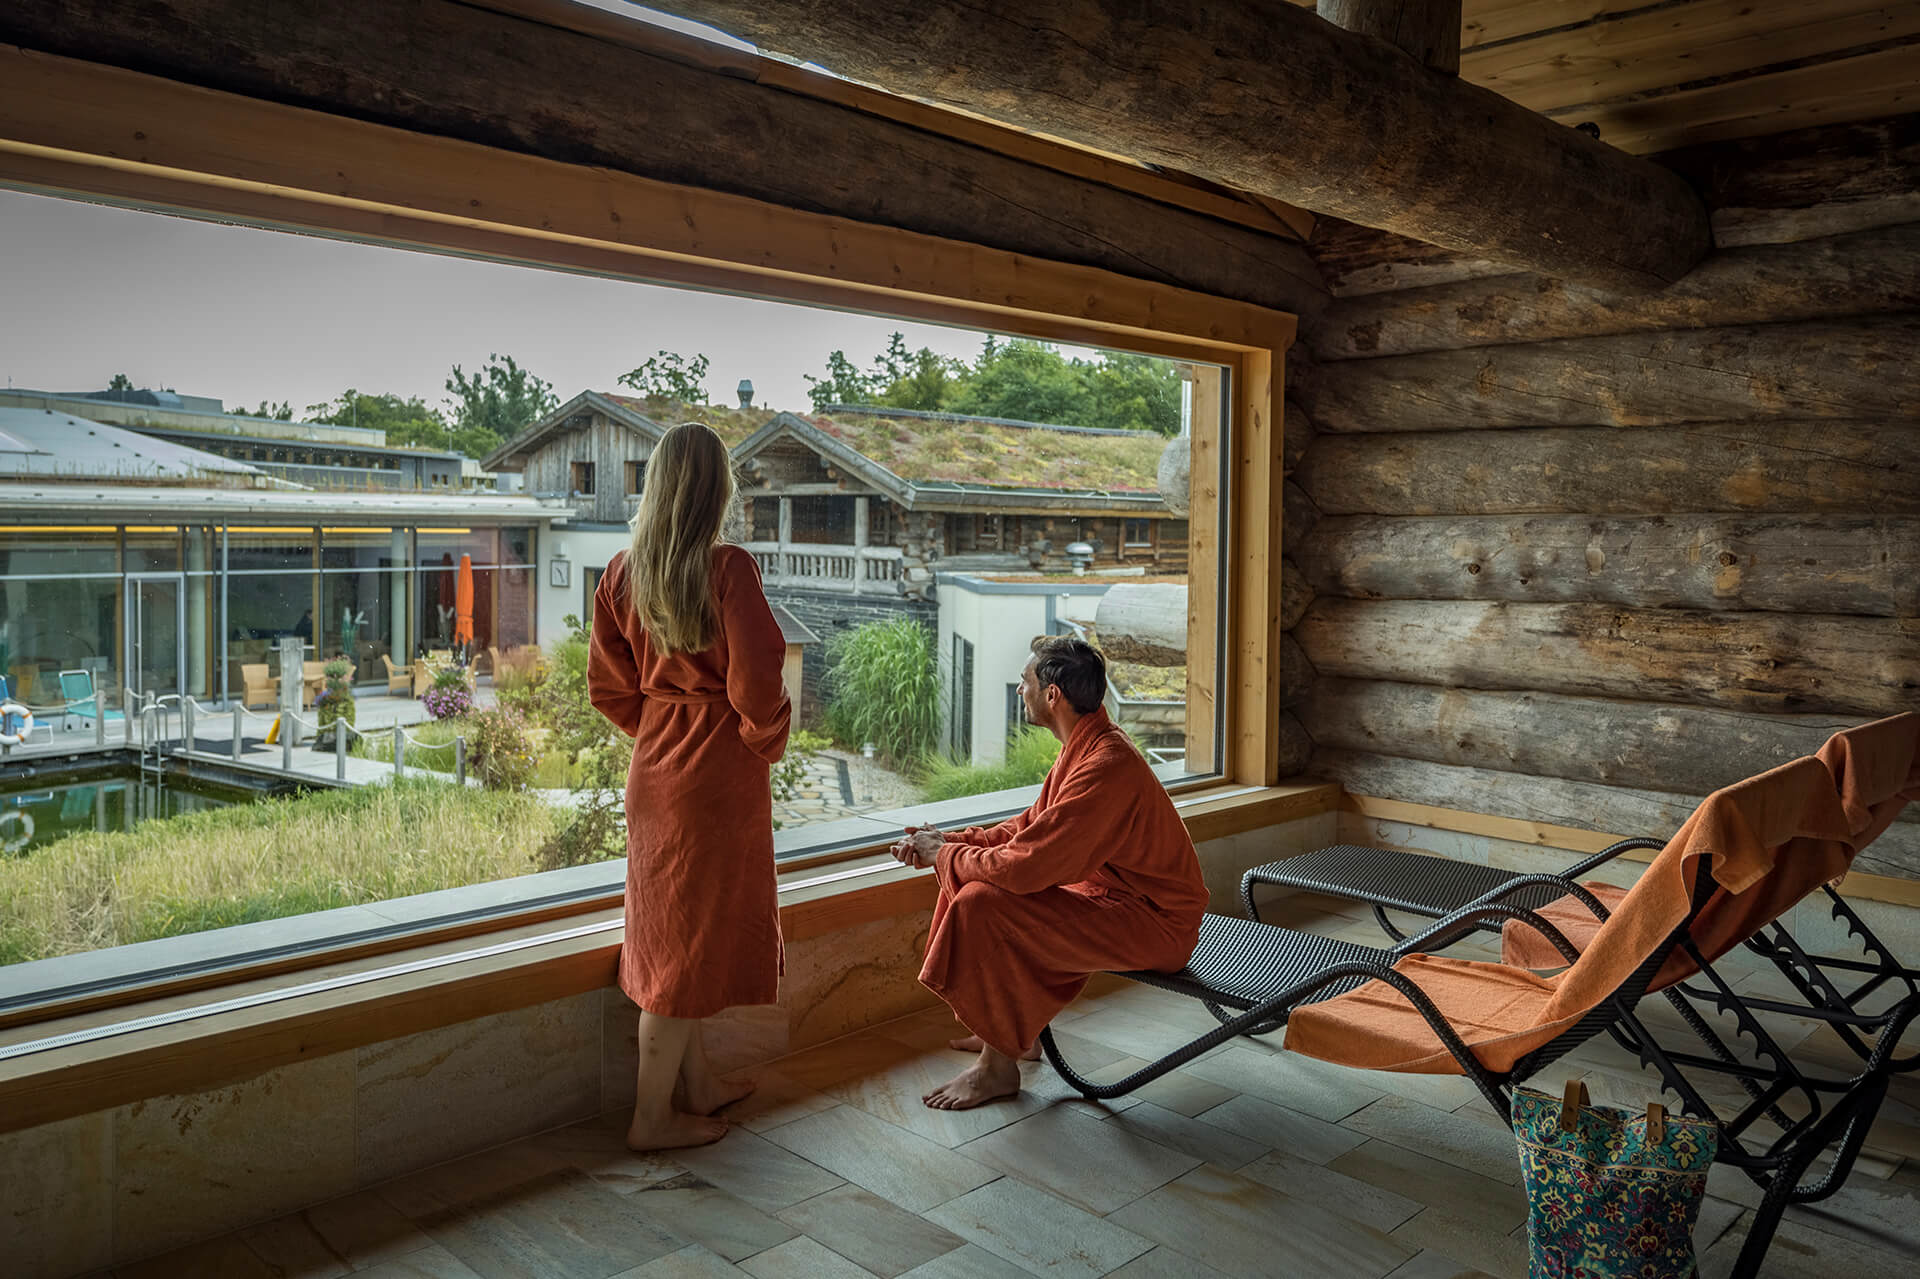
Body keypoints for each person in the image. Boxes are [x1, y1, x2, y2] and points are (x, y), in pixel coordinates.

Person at [892, 636, 1206, 1110]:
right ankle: (1013, 1033)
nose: (1020, 690)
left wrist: (943, 856)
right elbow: (1028, 830)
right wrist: (952, 843)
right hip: (1118, 903)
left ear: (1052, 695)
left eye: (1024, 682)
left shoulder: (1106, 764)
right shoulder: (1086, 744)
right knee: (980, 886)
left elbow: (1027, 867)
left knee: (984, 902)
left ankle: (997, 1070)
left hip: (1157, 925)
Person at [588, 422, 792, 1151]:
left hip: (656, 772)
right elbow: (758, 681)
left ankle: (698, 1085)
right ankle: (650, 1118)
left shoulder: (620, 572)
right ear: (717, 489)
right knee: (680, 952)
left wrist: (661, 727)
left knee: (681, 934)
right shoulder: (729, 567)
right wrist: (758, 735)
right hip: (716, 773)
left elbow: (609, 689)